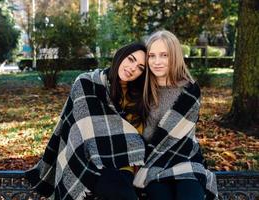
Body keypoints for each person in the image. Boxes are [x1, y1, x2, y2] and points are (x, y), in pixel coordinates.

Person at [25, 43, 148, 200]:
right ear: (120, 56)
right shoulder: (87, 83)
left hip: (124, 164)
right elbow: (77, 127)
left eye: (140, 67)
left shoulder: (136, 98)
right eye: (130, 59)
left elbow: (135, 136)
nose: (132, 68)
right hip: (88, 162)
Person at [133, 30, 218, 200]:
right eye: (152, 56)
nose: (157, 62)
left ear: (175, 56)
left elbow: (182, 134)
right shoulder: (140, 89)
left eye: (164, 55)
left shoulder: (189, 90)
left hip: (185, 159)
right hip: (153, 162)